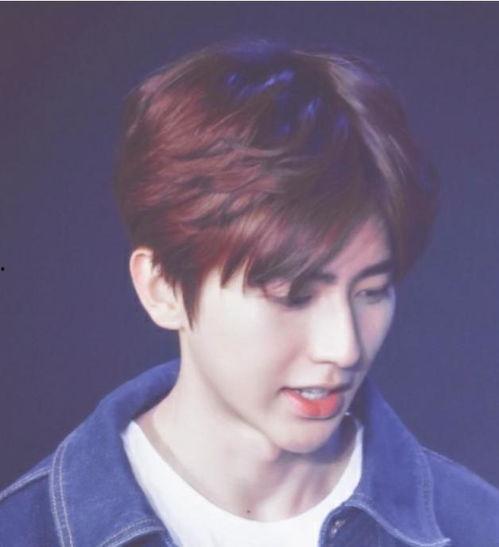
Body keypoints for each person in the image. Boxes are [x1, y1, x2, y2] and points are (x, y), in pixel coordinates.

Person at [1, 40, 498, 547]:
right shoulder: (26, 531)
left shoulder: (477, 526)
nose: (345, 348)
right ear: (162, 287)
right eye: (293, 296)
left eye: (371, 292)